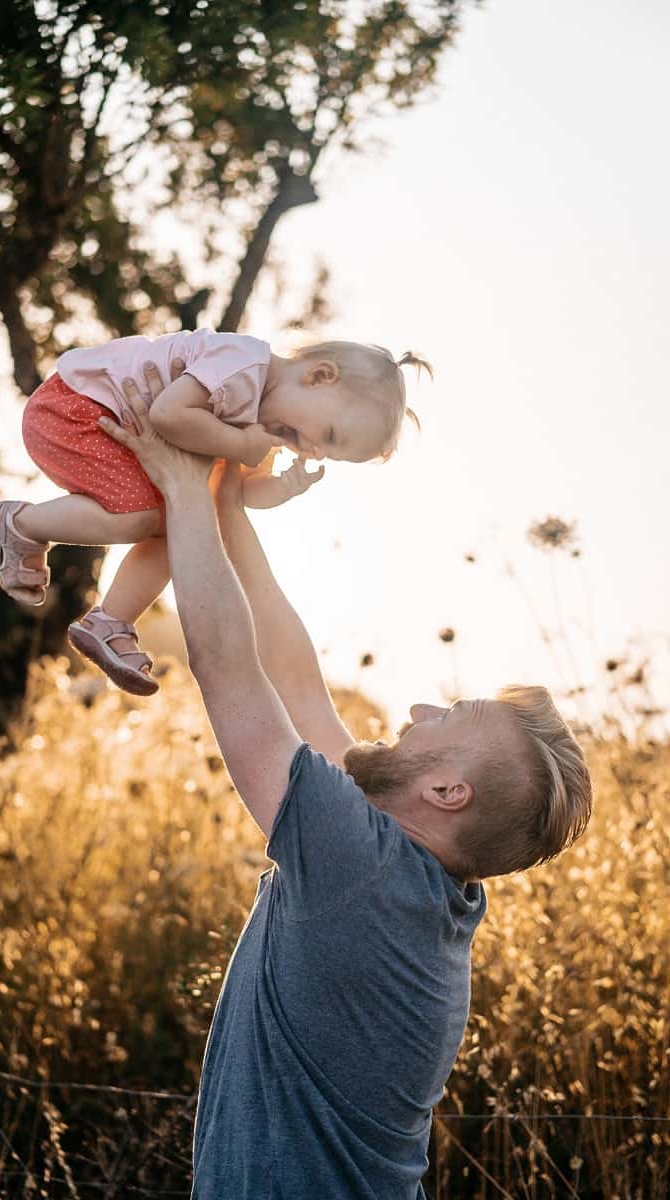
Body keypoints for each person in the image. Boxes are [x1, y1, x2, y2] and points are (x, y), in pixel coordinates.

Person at [99, 372, 593, 1200]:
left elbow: (231, 671)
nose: (417, 707)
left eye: (448, 716)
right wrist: (221, 499)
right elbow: (294, 677)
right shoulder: (410, 874)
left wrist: (182, 486)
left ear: (446, 792)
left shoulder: (362, 872)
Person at [0, 329, 428, 694]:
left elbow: (232, 497)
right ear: (319, 376)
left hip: (108, 427)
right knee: (144, 516)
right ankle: (21, 523)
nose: (315, 450)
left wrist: (281, 488)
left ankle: (110, 622)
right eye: (329, 434)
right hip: (77, 409)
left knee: (178, 522)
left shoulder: (259, 424)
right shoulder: (242, 363)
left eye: (330, 454)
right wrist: (238, 444)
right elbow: (168, 414)